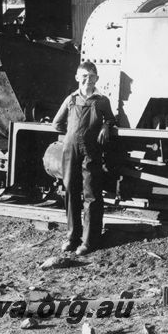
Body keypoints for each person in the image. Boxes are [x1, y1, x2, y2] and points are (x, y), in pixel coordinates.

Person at [52, 61, 115, 255]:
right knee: (71, 191)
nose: (88, 80)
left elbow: (111, 119)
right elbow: (56, 123)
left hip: (91, 152)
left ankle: (89, 241)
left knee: (91, 195)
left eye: (92, 76)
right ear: (78, 78)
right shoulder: (70, 99)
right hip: (71, 152)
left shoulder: (102, 100)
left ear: (97, 78)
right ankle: (73, 237)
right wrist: (72, 136)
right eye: (84, 76)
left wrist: (105, 126)